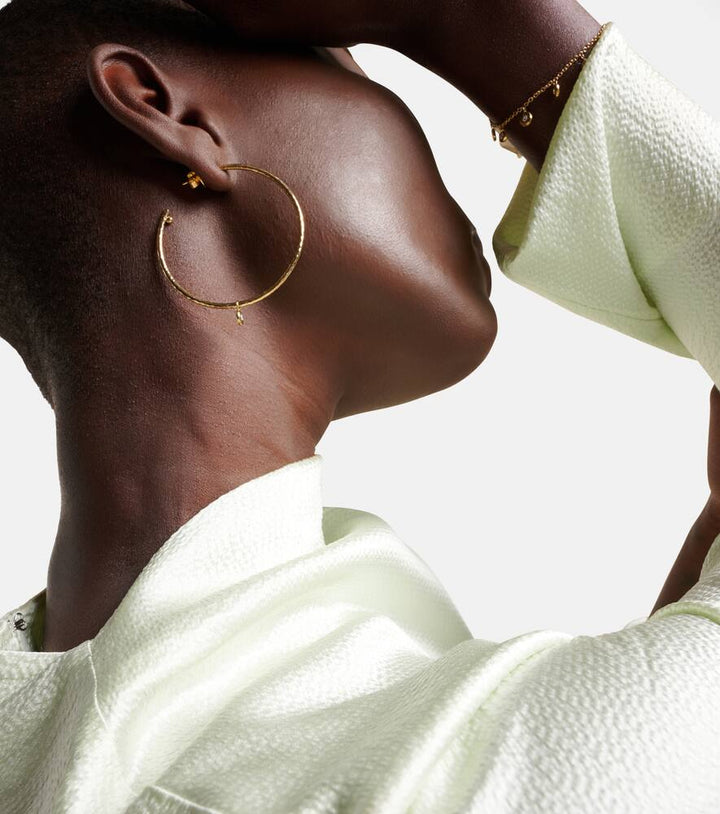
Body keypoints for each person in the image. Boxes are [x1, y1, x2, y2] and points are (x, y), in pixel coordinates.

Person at [0, 1, 718, 812]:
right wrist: (472, 20)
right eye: (348, 58)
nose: (413, 123)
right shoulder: (465, 764)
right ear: (171, 114)